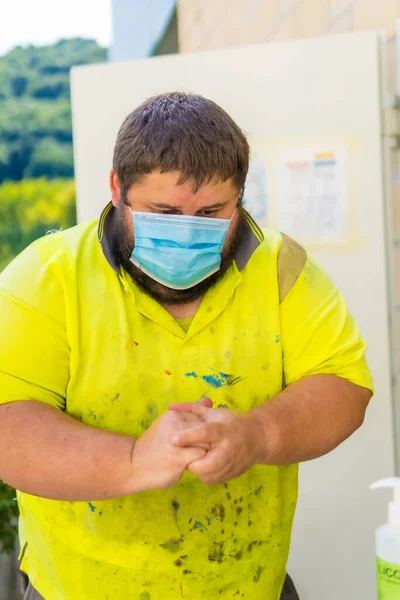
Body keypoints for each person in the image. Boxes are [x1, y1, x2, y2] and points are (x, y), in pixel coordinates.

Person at [0, 92, 373, 600]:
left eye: (212, 211)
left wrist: (259, 433)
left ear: (241, 197)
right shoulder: (44, 278)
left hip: (247, 586)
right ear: (117, 188)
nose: (187, 231)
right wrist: (134, 460)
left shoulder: (284, 270)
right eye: (163, 211)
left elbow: (343, 385)